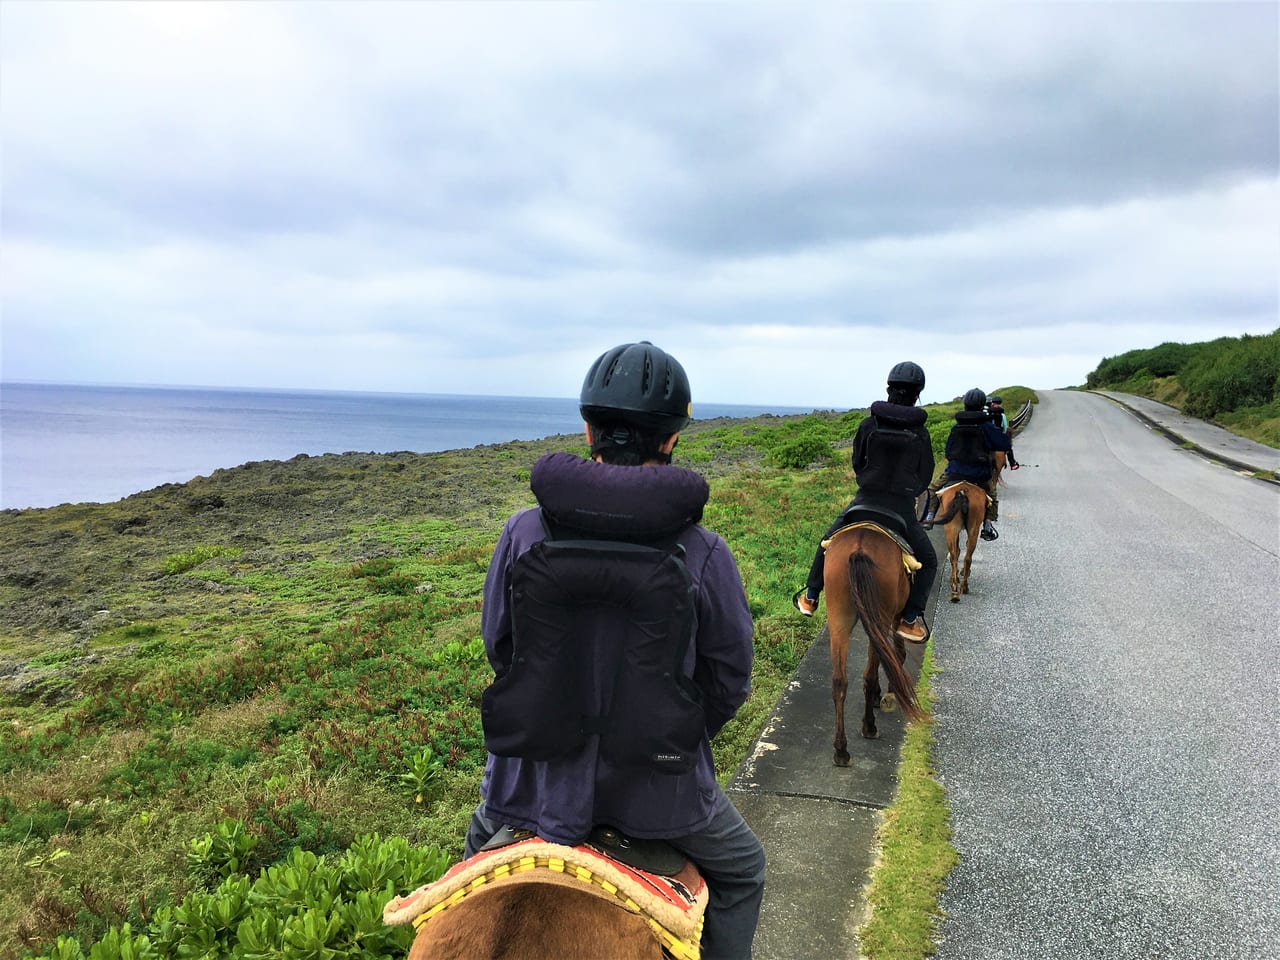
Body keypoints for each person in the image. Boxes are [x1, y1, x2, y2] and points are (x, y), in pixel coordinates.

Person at [465, 341, 766, 960]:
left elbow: (501, 647)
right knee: (743, 873)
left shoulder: (523, 532)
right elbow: (729, 678)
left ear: (587, 429)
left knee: (469, 878)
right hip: (662, 795)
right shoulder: (704, 551)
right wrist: (670, 731)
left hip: (531, 786)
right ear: (672, 439)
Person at [792, 361, 938, 644]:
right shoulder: (921, 432)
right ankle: (909, 620)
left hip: (864, 501)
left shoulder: (869, 424)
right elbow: (925, 475)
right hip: (900, 509)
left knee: (826, 543)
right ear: (917, 392)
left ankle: (810, 596)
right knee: (929, 562)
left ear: (888, 388)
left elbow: (858, 463)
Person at [924, 387, 1013, 541]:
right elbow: (1005, 444)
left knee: (932, 490)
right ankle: (988, 524)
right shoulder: (986, 427)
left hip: (955, 472)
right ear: (982, 405)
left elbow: (948, 452)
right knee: (992, 496)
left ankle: (930, 515)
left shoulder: (956, 426)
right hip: (979, 475)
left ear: (965, 404)